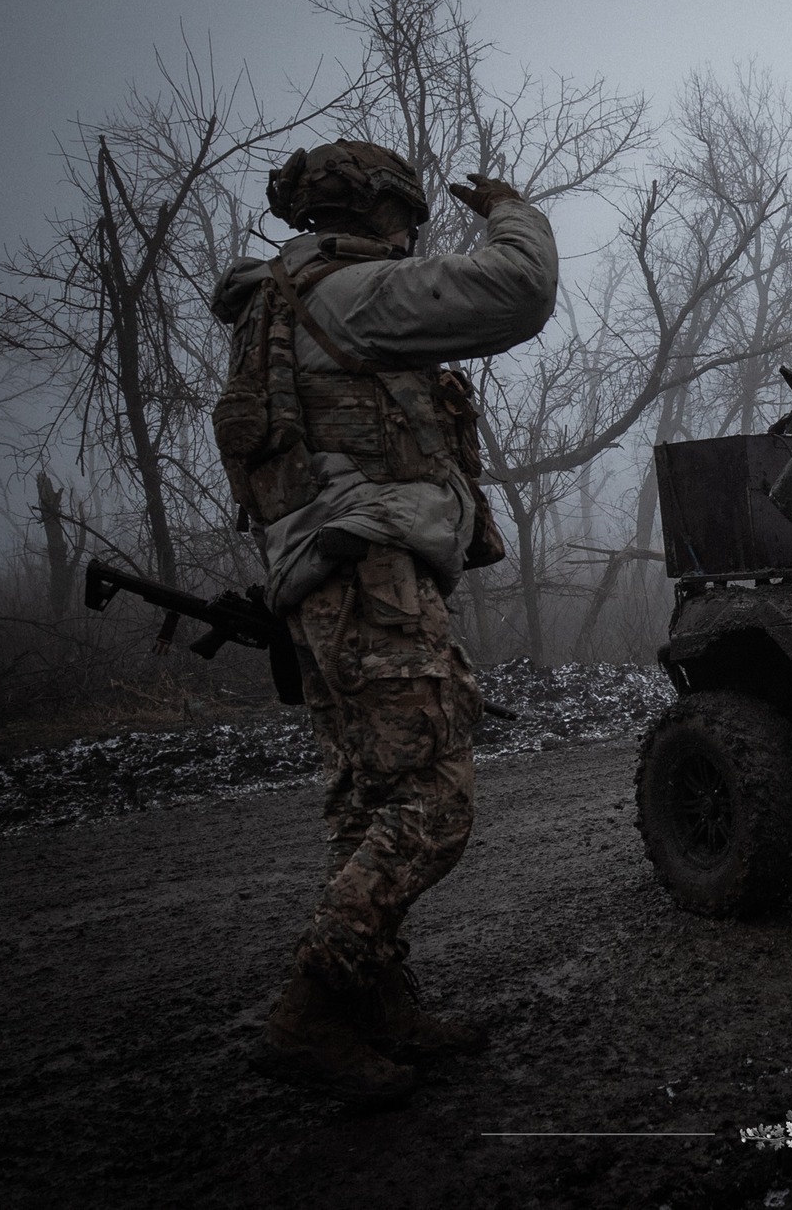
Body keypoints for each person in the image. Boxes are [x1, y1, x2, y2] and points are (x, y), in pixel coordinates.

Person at [210, 140, 557, 1101]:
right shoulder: (346, 292)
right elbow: (519, 291)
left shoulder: (272, 306)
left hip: (323, 576)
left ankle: (374, 1003)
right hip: (368, 574)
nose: (413, 237)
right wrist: (515, 210)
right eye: (408, 218)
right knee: (432, 803)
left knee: (367, 800)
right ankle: (310, 1009)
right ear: (379, 212)